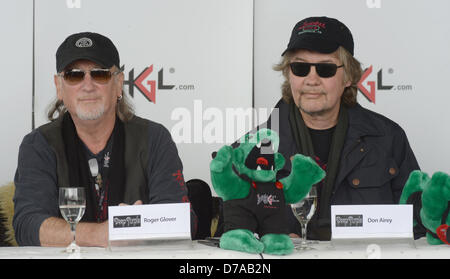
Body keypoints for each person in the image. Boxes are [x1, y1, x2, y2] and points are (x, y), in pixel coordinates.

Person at [13, 32, 195, 246]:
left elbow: (180, 221)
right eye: (74, 75)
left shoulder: (154, 138)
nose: (87, 85)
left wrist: (124, 226)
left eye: (99, 74)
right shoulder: (38, 144)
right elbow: (28, 226)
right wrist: (102, 234)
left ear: (118, 83)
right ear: (59, 86)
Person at [261, 16, 424, 240]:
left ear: (348, 76)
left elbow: (419, 224)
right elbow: (236, 227)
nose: (311, 79)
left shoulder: (388, 138)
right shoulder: (256, 146)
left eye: (325, 69)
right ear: (289, 74)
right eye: (300, 68)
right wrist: (271, 239)